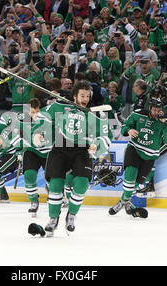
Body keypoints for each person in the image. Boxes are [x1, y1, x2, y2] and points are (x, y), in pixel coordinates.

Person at [40, 80, 111, 236]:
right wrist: (40, 133)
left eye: (88, 95)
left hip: (82, 151)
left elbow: (106, 136)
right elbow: (43, 117)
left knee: (81, 185)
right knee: (56, 185)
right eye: (82, 95)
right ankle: (53, 219)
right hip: (60, 147)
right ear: (74, 96)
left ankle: (71, 215)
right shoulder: (60, 106)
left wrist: (97, 145)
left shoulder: (95, 113)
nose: (86, 98)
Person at [108, 98, 167, 217]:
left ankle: (124, 201)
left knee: (136, 184)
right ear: (149, 108)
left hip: (150, 156)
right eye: (154, 109)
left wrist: (164, 125)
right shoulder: (138, 114)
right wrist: (129, 130)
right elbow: (125, 126)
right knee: (130, 175)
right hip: (134, 149)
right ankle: (125, 201)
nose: (157, 112)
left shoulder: (166, 122)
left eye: (159, 110)